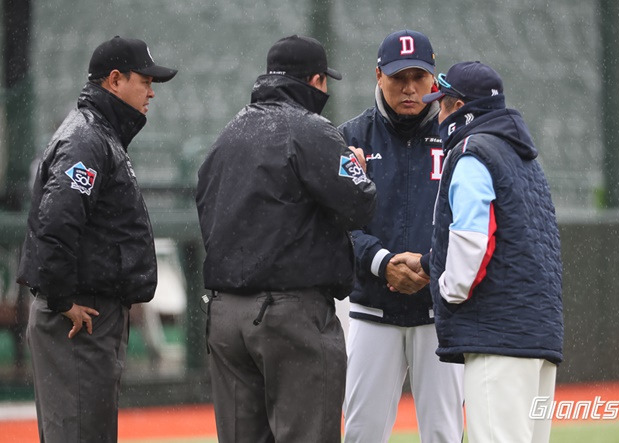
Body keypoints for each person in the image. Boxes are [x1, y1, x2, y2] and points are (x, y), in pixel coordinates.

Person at [195, 35, 377, 443]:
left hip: (225, 315)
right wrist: (360, 170)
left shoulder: (229, 132)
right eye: (325, 81)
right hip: (289, 314)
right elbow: (359, 206)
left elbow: (206, 207)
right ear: (315, 80)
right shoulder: (310, 129)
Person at [16, 36, 177, 443]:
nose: (151, 91)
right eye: (145, 80)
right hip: (77, 318)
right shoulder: (87, 139)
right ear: (115, 80)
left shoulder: (99, 134)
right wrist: (61, 300)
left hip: (90, 312)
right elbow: (55, 222)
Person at [398, 61, 563, 443]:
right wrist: (429, 262)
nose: (436, 112)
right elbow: (511, 238)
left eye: (442, 103)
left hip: (497, 336)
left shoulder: (474, 151)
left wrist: (447, 289)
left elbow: (473, 241)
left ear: (457, 107)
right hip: (537, 335)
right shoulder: (521, 153)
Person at [339, 30, 464, 443]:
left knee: (444, 434)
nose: (410, 88)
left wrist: (432, 265)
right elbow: (334, 222)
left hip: (439, 313)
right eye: (398, 77)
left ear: (434, 79)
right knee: (361, 433)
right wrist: (382, 261)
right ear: (378, 75)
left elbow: (470, 220)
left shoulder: (458, 139)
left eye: (419, 76)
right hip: (373, 310)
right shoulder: (350, 138)